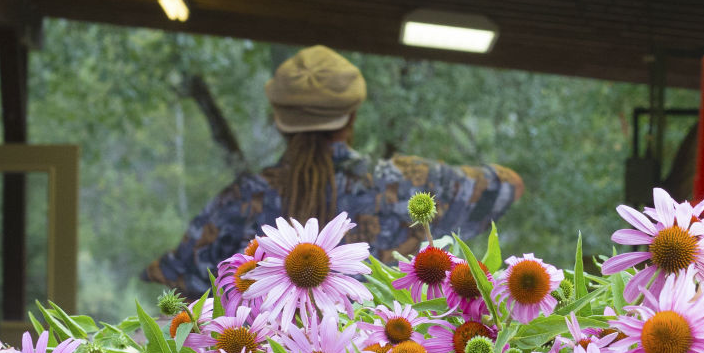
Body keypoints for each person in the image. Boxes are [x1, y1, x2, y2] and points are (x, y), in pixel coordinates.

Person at [145, 45, 524, 295]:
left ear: (279, 121)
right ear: (352, 117)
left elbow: (176, 279)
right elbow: (510, 186)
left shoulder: (242, 200)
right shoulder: (412, 182)